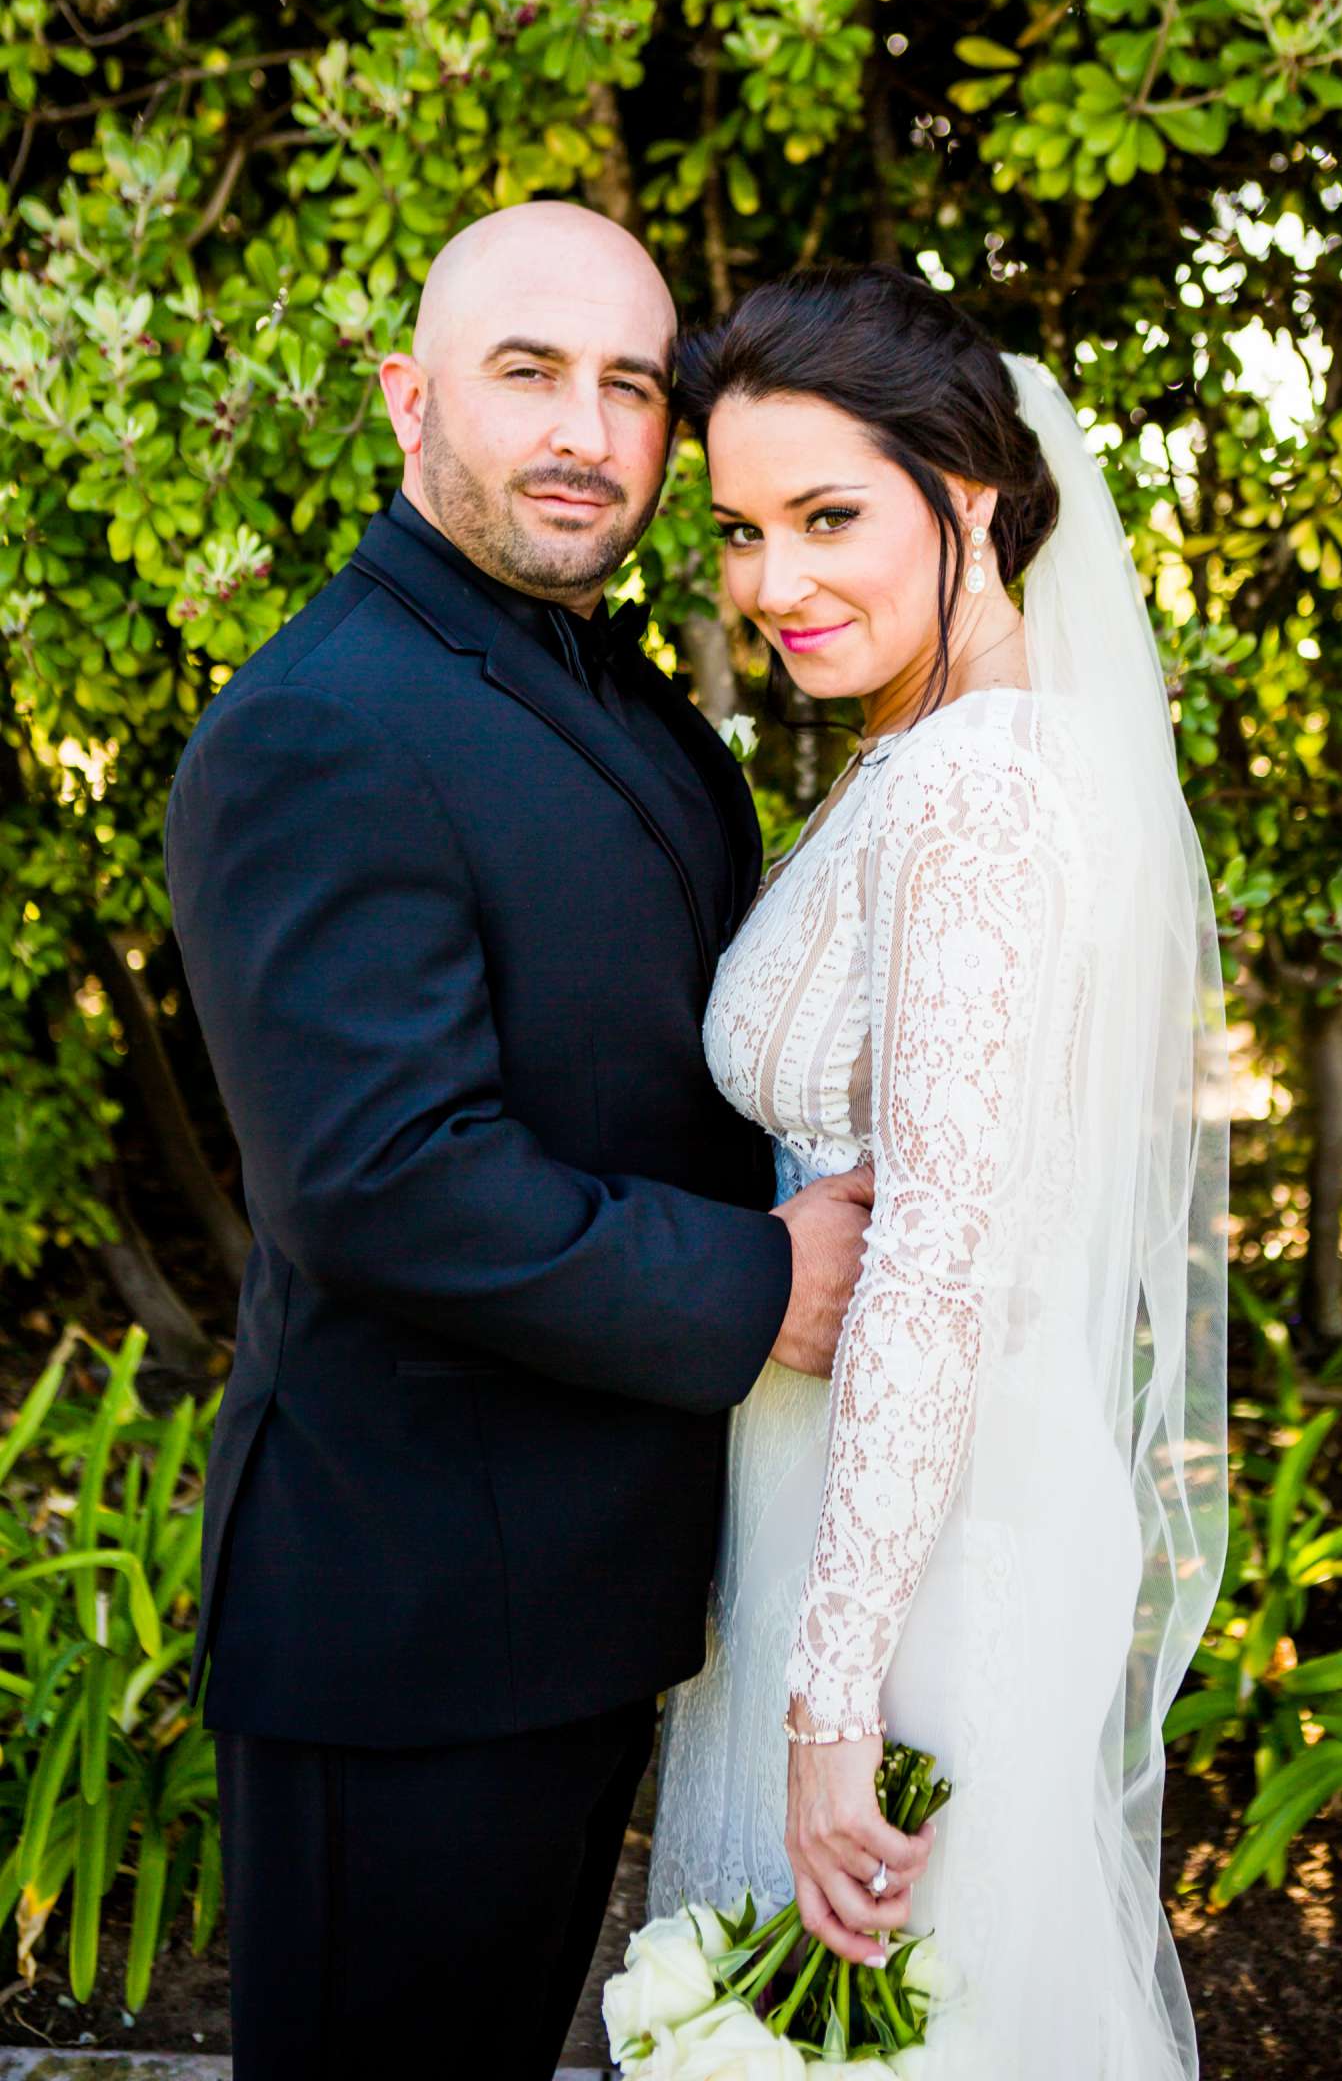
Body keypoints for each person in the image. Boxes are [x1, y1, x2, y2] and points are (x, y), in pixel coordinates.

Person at [163, 202, 875, 2081]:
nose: (585, 427)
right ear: (411, 400)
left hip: (579, 1606)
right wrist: (757, 1285)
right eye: (528, 373)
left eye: (630, 385)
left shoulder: (629, 709)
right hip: (405, 1635)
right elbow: (380, 1177)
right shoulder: (317, 725)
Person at [648, 264, 1230, 2078]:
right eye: (741, 530)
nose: (775, 584)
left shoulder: (980, 787)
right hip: (869, 1503)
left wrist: (835, 1705)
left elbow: (943, 1257)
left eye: (830, 516)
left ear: (966, 493)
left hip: (912, 1560)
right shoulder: (943, 754)